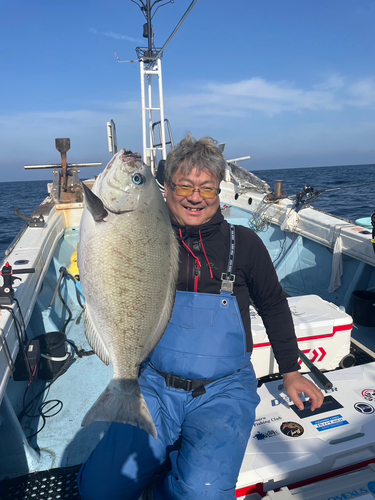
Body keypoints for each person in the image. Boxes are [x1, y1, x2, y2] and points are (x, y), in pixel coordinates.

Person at [78, 135, 324, 500]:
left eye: (207, 188)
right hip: (155, 384)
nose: (196, 197)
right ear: (167, 188)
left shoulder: (246, 245)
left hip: (223, 392)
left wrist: (290, 371)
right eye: (185, 186)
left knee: (203, 494)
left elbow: (273, 304)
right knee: (100, 490)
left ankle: (165, 486)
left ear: (219, 191)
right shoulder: (148, 234)